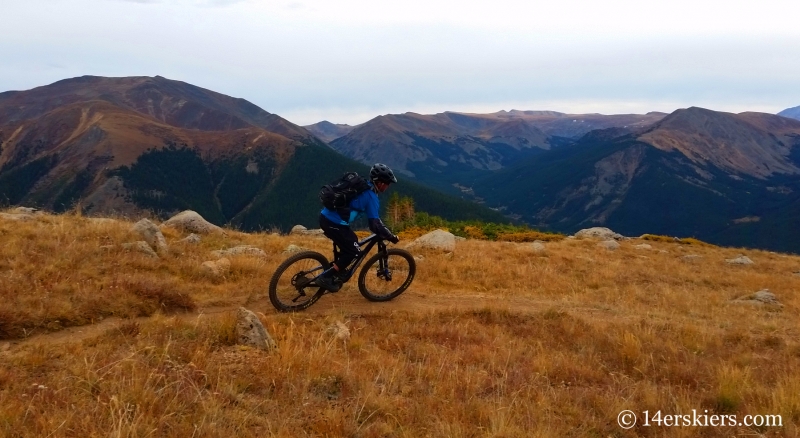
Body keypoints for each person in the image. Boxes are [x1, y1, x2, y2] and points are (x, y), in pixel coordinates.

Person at [317, 163, 400, 292]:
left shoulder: (362, 186)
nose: (388, 186)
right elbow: (374, 224)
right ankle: (325, 277)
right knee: (354, 251)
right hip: (334, 223)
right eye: (388, 183)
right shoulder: (371, 196)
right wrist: (390, 236)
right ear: (381, 183)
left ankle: (337, 270)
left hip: (326, 218)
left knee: (352, 241)